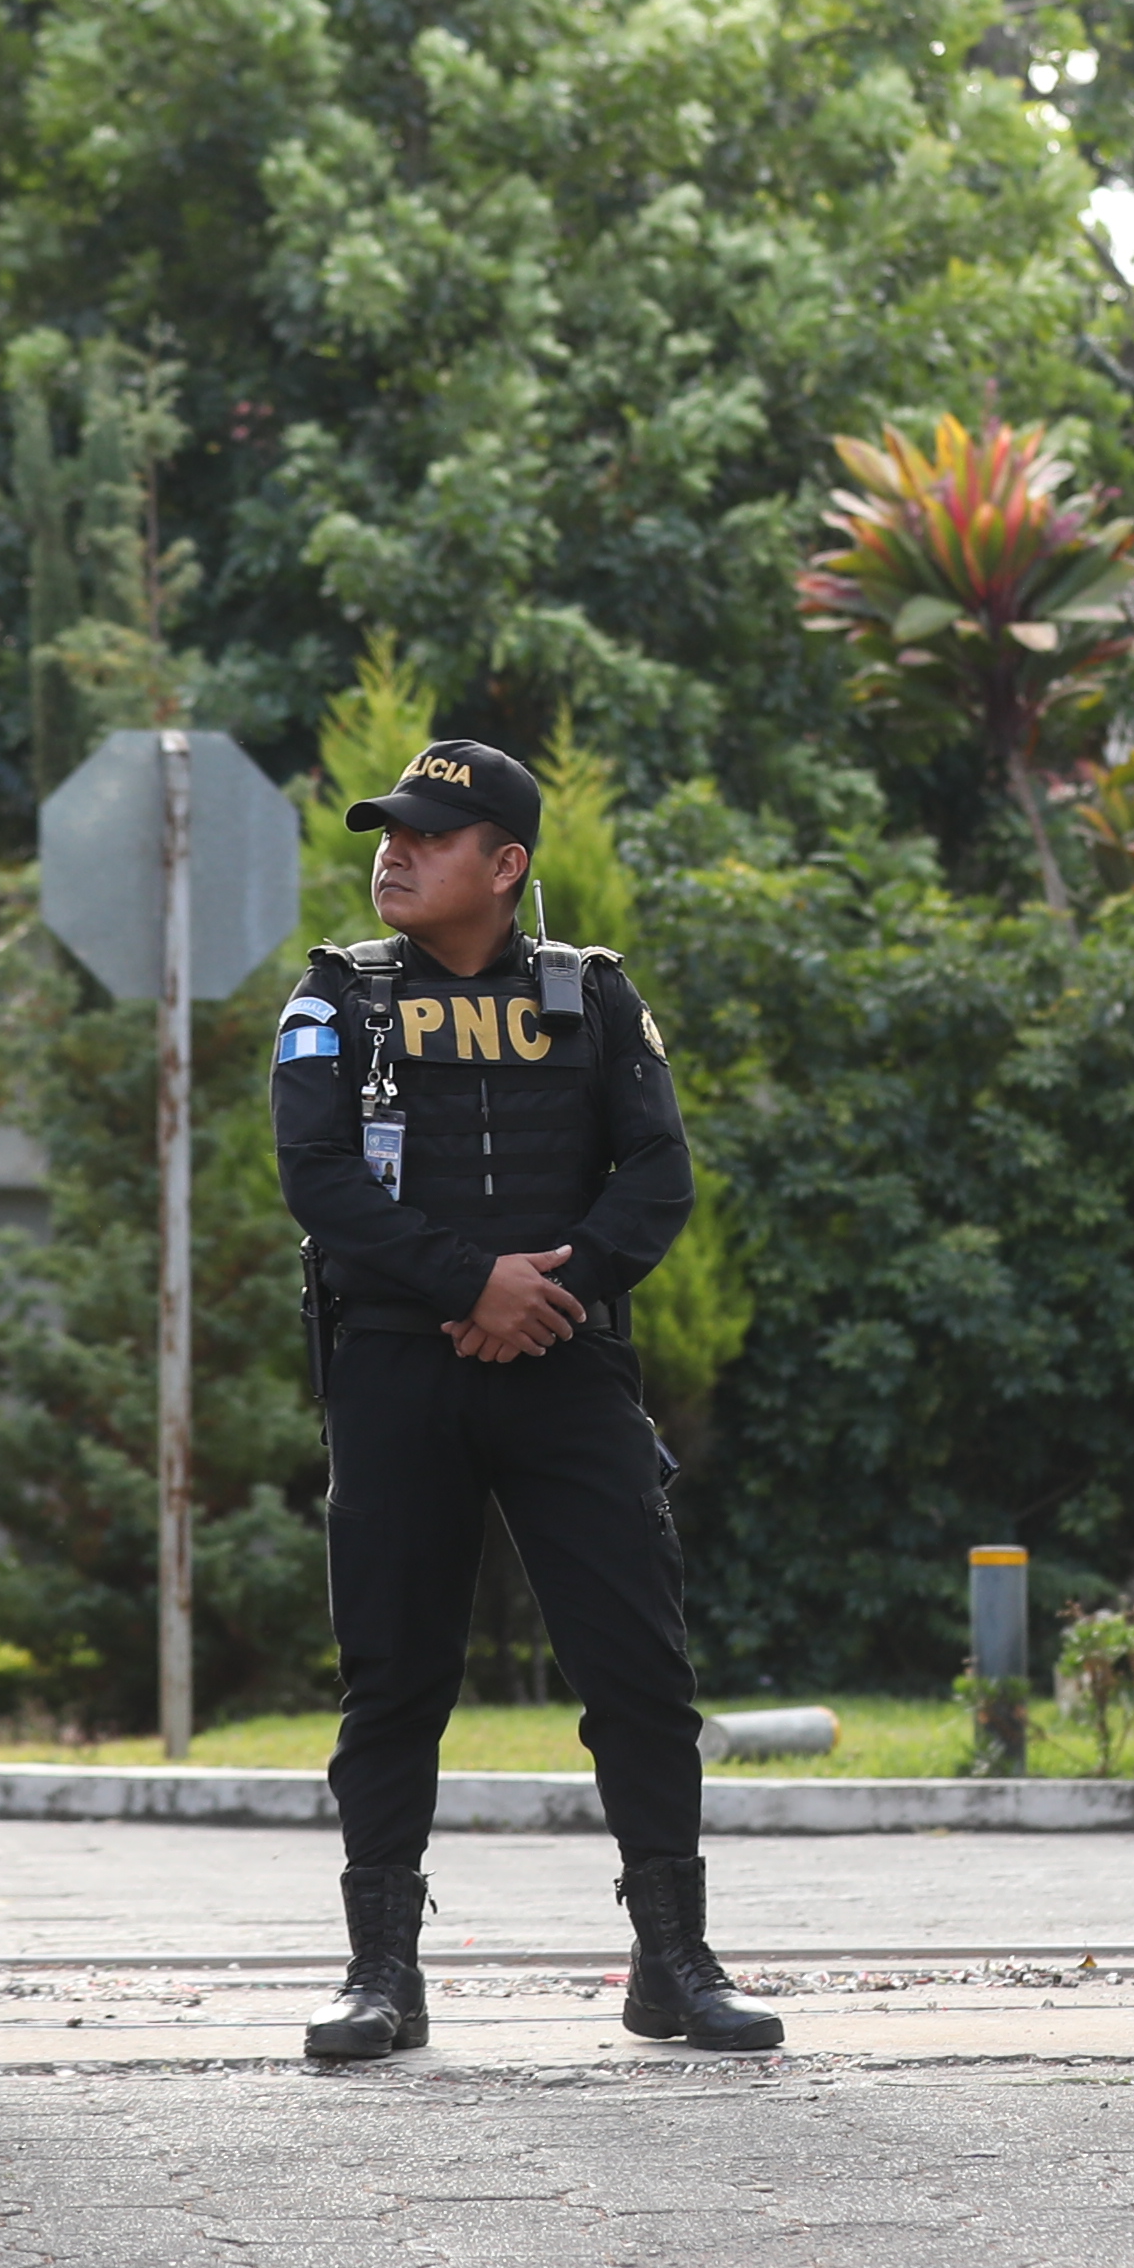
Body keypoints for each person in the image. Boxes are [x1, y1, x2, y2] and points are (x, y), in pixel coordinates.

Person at [267, 737, 782, 2063]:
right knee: (393, 1678)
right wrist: (471, 1284)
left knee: (640, 1671)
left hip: (567, 1368)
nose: (395, 852)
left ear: (506, 866)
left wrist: (547, 1295)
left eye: (431, 837)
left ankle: (675, 1963)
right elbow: (318, 1181)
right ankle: (381, 1973)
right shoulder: (338, 998)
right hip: (394, 1369)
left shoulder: (594, 998)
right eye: (390, 832)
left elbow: (657, 1175)